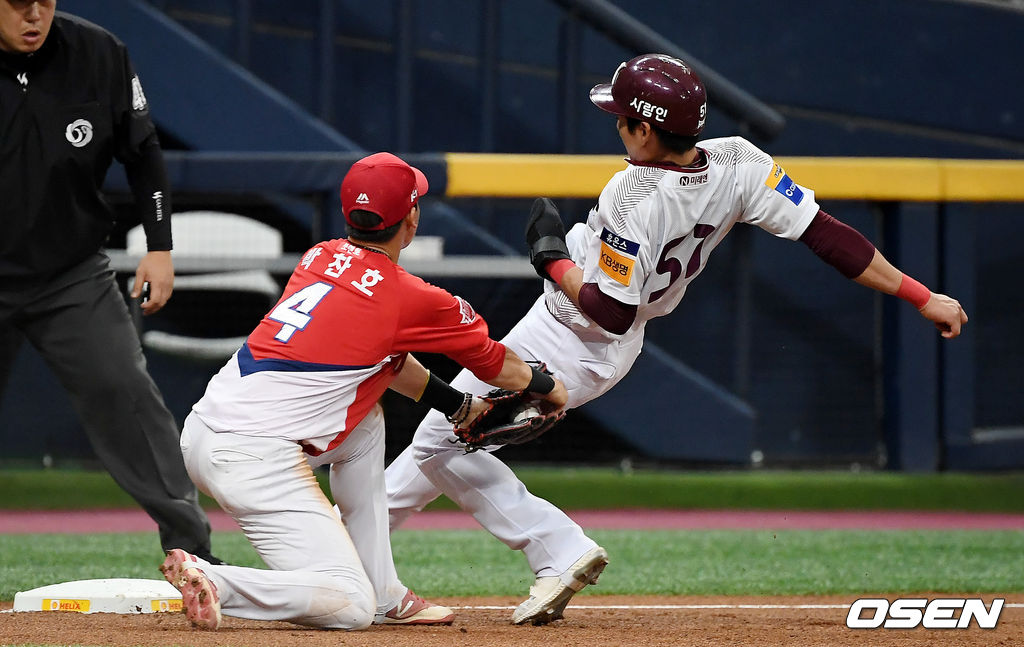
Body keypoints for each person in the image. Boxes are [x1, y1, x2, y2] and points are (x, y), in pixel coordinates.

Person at [384, 53, 970, 625]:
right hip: (612, 344)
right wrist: (922, 295)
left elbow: (610, 311)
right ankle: (342, 549)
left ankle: (557, 550)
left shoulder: (632, 195)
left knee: (442, 435)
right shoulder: (739, 160)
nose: (617, 125)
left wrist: (553, 258)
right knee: (439, 451)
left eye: (623, 118)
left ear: (645, 129)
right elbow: (829, 236)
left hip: (573, 335)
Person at [159, 152, 569, 631]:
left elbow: (385, 362)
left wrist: (458, 406)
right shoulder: (410, 297)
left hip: (205, 432)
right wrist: (551, 388)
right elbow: (500, 366)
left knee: (366, 427)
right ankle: (218, 580)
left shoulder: (319, 257)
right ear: (410, 219)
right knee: (348, 605)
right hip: (255, 460)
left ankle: (386, 593)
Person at [0, 1, 218, 561]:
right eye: (18, 4)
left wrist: (160, 247)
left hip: (70, 273)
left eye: (43, 3)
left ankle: (193, 553)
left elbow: (142, 152)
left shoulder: (99, 52)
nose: (34, 16)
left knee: (126, 395)